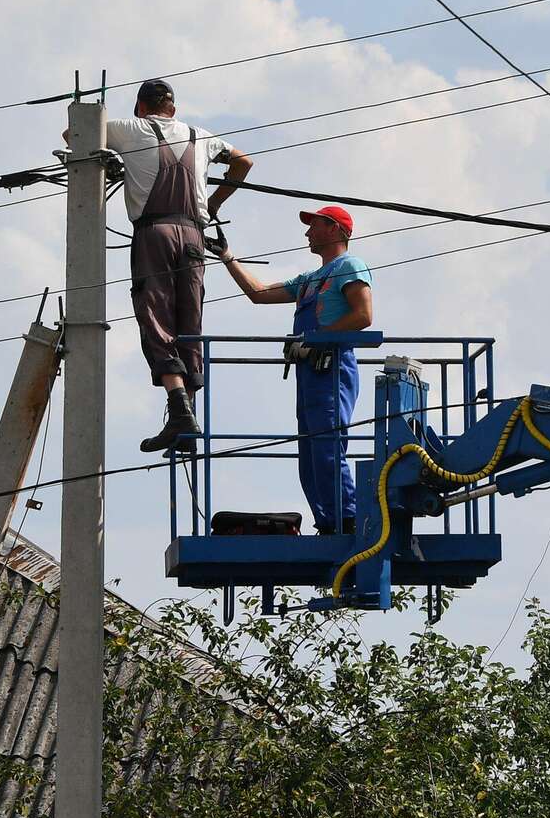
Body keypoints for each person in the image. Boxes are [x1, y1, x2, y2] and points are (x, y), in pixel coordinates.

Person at [96, 78, 251, 451]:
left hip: (155, 233)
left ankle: (179, 410)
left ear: (140, 107)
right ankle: (190, 417)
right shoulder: (200, 135)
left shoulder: (129, 127)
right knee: (190, 320)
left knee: (156, 316)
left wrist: (116, 160)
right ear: (174, 110)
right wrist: (214, 203)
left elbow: (76, 133)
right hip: (195, 236)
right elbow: (244, 162)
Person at [217, 205, 373, 535]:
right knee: (311, 455)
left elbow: (363, 316)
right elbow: (258, 294)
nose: (306, 233)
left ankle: (348, 518)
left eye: (313, 225)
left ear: (333, 229)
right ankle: (329, 522)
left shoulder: (350, 266)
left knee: (328, 447)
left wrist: (317, 339)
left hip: (331, 371)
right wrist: (227, 256)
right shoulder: (309, 281)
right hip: (310, 374)